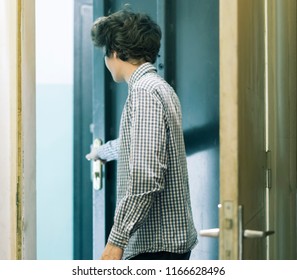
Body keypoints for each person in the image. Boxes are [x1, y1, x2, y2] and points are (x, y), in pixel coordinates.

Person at [86, 8, 198, 260]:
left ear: (114, 52)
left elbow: (145, 177)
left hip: (155, 244)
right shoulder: (159, 87)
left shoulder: (144, 93)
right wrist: (101, 152)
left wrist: (116, 240)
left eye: (105, 54)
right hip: (165, 242)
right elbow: (136, 143)